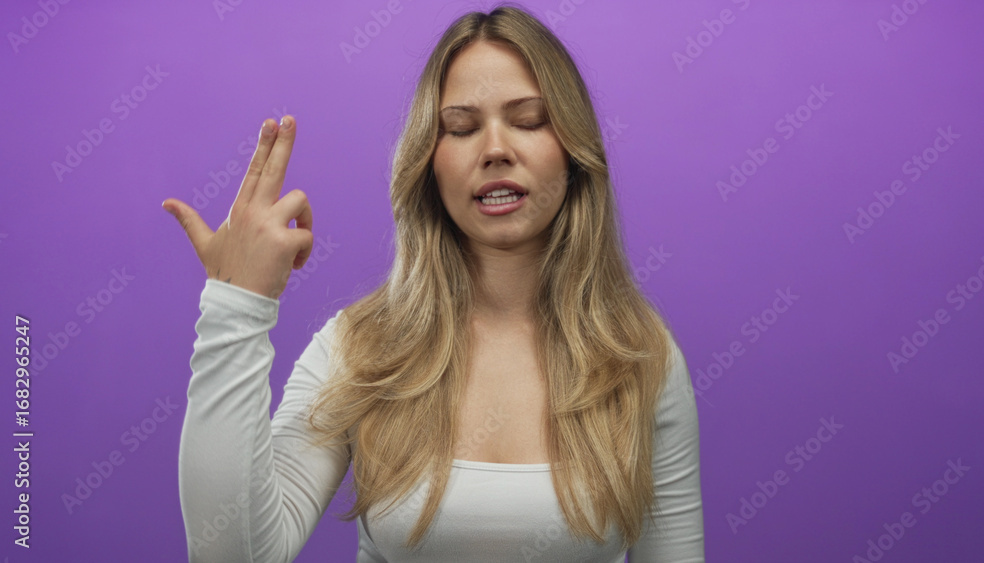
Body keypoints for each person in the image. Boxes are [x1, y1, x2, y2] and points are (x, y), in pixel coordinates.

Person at [164, 4, 704, 562]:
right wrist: (237, 305)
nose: (496, 149)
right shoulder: (361, 349)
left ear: (573, 152)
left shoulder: (640, 356)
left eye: (528, 120)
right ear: (430, 162)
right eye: (461, 127)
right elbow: (233, 555)